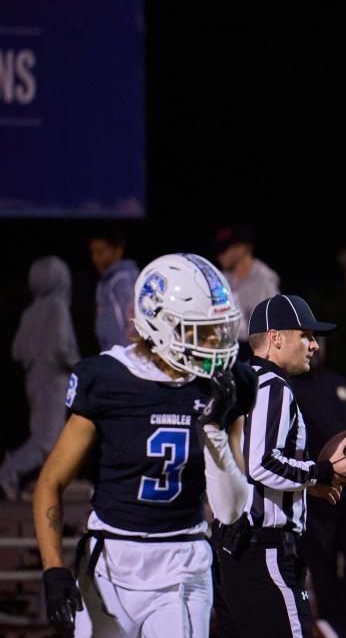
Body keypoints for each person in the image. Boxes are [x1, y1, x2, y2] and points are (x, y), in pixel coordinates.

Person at [32, 253, 255, 638]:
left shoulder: (226, 384)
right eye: (200, 331)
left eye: (218, 330)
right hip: (109, 563)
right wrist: (53, 568)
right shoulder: (108, 378)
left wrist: (215, 428)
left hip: (183, 561)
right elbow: (51, 481)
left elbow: (232, 510)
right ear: (160, 324)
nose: (214, 345)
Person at [212, 295, 346, 638]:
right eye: (306, 335)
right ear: (276, 338)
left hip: (233, 547)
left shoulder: (242, 382)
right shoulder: (272, 386)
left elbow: (246, 464)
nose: (315, 345)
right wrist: (324, 472)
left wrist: (307, 483)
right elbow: (262, 464)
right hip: (264, 549)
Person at [289, 344, 346, 638]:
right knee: (321, 558)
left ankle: (342, 623)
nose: (314, 346)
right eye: (306, 337)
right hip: (314, 489)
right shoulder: (285, 389)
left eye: (318, 339)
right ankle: (331, 621)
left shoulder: (341, 383)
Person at [1, 257, 80, 500]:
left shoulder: (31, 311)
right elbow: (61, 346)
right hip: (53, 379)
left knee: (48, 438)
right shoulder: (56, 307)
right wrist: (82, 367)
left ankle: (38, 483)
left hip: (33, 378)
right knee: (48, 440)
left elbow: (16, 350)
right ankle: (8, 472)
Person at [214, 225, 280, 358]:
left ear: (242, 248)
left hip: (254, 352)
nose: (220, 255)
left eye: (225, 248)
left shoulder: (263, 279)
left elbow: (271, 328)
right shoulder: (224, 277)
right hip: (227, 349)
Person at [89, 227, 138, 351]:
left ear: (118, 250)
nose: (95, 258)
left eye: (100, 252)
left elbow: (133, 324)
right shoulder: (105, 281)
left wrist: (128, 357)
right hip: (112, 354)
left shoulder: (124, 280)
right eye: (93, 253)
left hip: (125, 357)